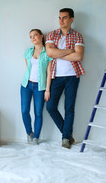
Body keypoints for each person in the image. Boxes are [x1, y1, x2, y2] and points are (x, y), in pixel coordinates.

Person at [45, 8, 85, 149]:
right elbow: (50, 53)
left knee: (69, 108)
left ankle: (66, 139)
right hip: (56, 76)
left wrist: (58, 53)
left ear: (71, 19)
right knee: (50, 106)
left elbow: (79, 56)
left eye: (65, 17)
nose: (61, 20)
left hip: (72, 77)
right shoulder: (52, 35)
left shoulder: (78, 36)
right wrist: (69, 51)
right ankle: (67, 133)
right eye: (60, 17)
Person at [21, 29, 53, 145]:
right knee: (24, 111)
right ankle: (29, 133)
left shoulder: (48, 53)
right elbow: (28, 69)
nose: (33, 38)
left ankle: (36, 137)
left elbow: (49, 73)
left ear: (41, 36)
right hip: (26, 85)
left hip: (40, 87)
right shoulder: (28, 52)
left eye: (35, 35)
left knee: (38, 112)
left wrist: (47, 90)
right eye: (30, 36)